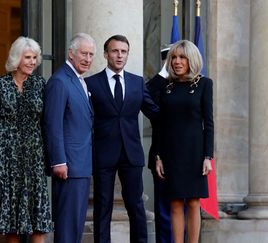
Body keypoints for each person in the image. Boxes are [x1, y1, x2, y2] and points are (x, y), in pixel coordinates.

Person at [85, 34, 159, 243]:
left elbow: (155, 113)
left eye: (123, 51)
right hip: (103, 153)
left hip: (131, 153)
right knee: (102, 206)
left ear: (127, 54)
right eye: (115, 51)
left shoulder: (137, 82)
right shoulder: (91, 83)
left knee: (136, 206)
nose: (119, 55)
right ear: (106, 54)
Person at [0, 36, 53, 243]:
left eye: (34, 58)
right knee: (11, 220)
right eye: (28, 57)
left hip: (34, 156)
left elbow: (47, 122)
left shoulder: (40, 84)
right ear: (16, 59)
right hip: (7, 156)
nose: (32, 62)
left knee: (37, 216)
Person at [152, 40, 213, 243]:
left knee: (194, 202)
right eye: (174, 57)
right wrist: (158, 156)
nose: (177, 61)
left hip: (195, 153)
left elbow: (209, 123)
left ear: (192, 59)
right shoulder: (166, 86)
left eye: (182, 57)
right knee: (176, 202)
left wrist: (208, 156)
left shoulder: (204, 84)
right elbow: (159, 123)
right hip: (171, 152)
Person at [43, 33, 96, 243]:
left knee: (75, 226)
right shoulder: (59, 81)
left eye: (91, 54)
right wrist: (59, 161)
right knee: (67, 227)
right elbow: (52, 124)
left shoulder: (78, 80)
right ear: (71, 54)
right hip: (68, 166)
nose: (88, 58)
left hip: (81, 163)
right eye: (84, 53)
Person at [146, 44, 175, 243]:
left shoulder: (193, 85)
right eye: (171, 59)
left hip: (186, 157)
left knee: (183, 206)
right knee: (164, 210)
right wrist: (163, 73)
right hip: (161, 155)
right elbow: (145, 99)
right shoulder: (159, 86)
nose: (176, 63)